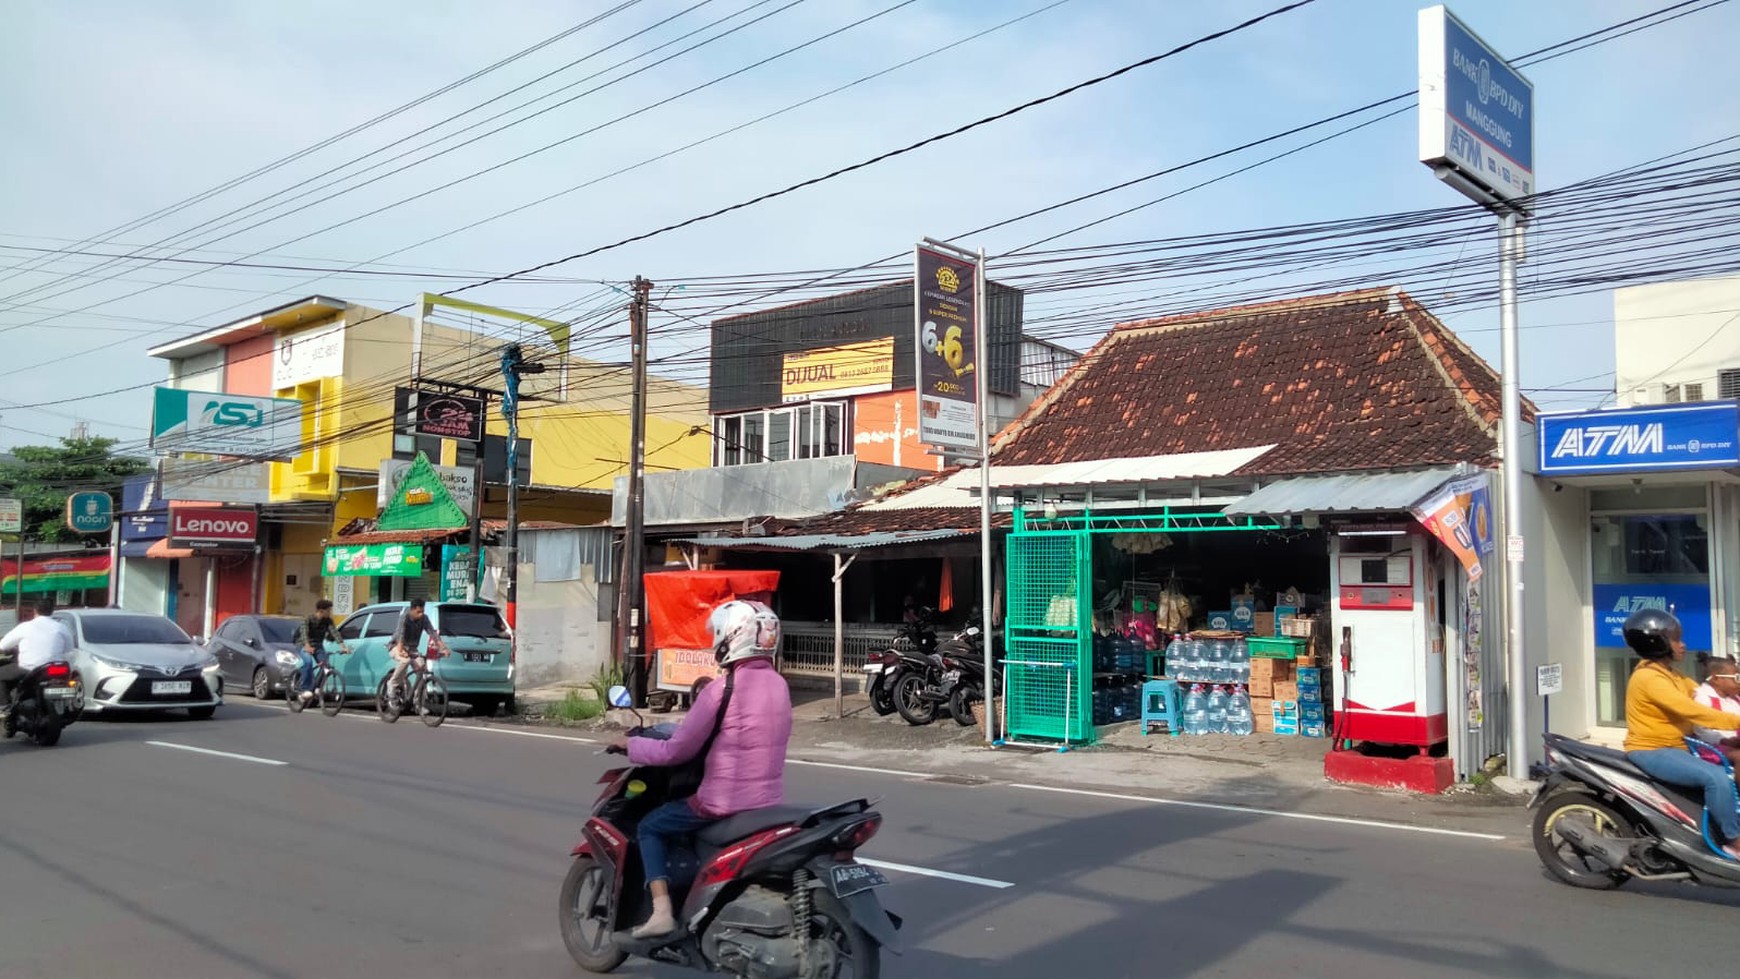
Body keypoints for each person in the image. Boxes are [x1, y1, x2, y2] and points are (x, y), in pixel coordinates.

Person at [610, 599, 792, 940]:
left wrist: (630, 745)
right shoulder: (780, 686)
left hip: (721, 803)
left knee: (651, 826)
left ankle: (662, 912)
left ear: (731, 637)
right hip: (768, 805)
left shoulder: (721, 690)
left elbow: (677, 750)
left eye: (719, 635)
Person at [1622, 608, 1740, 859]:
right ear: (1657, 643)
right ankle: (1734, 841)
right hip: (1652, 750)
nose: (1682, 645)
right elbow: (1693, 711)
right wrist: (1734, 720)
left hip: (1679, 746)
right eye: (1676, 639)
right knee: (1716, 778)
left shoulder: (1671, 675)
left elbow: (1703, 693)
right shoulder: (1649, 679)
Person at [0, 599, 73, 713]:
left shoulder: (26, 626)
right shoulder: (61, 627)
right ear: (52, 611)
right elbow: (69, 649)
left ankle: (4, 708)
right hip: (54, 668)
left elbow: (3, 645)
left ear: (35, 611)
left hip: (28, 668)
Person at [386, 599, 445, 702]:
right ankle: (392, 684)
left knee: (421, 667)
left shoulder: (424, 619)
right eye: (418, 612)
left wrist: (443, 648)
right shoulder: (405, 617)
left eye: (423, 611)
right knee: (405, 661)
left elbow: (433, 633)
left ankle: (417, 702)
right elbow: (401, 634)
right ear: (412, 610)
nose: (421, 614)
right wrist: (401, 650)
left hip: (412, 649)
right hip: (396, 646)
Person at [292, 599, 349, 702]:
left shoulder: (328, 621)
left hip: (318, 645)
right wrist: (307, 646)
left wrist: (343, 646)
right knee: (308, 662)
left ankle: (317, 687)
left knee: (325, 666)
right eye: (328, 610)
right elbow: (304, 633)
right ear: (321, 611)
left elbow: (335, 632)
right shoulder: (308, 619)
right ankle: (304, 689)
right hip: (303, 644)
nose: (330, 613)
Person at [1692, 655, 1740, 770]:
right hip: (1711, 747)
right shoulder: (1702, 697)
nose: (1739, 682)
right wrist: (1724, 740)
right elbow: (1700, 730)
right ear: (1716, 679)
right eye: (1736, 678)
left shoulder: (1734, 698)